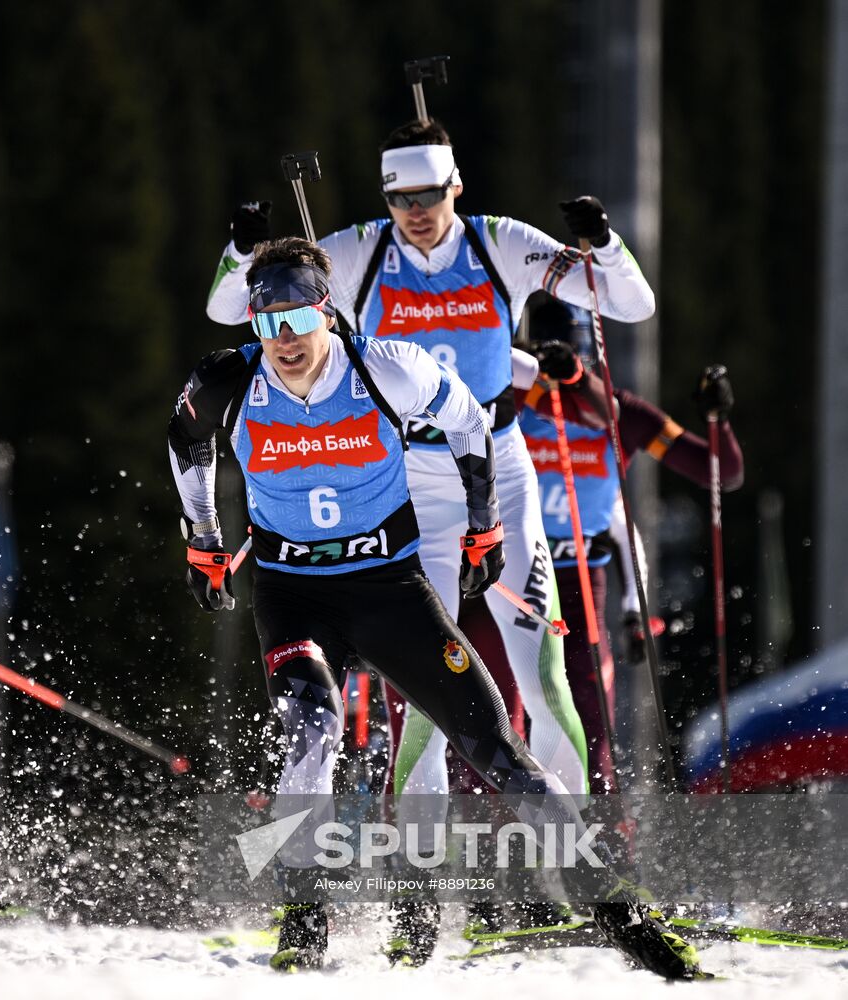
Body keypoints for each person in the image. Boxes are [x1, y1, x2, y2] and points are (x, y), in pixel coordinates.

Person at [172, 237, 703, 978]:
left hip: (391, 588)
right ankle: (303, 916)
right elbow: (185, 440)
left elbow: (469, 426)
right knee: (314, 736)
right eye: (267, 325)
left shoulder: (387, 367)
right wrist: (203, 538)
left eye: (297, 320)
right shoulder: (229, 381)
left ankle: (615, 906)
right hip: (294, 595)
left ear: (328, 311)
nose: (284, 342)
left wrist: (484, 521)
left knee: (496, 749)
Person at [206, 120, 656, 838]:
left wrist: (604, 246)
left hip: (497, 470)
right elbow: (234, 310)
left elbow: (629, 304)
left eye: (429, 193)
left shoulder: (497, 241)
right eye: (400, 197)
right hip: (409, 480)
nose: (416, 211)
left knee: (544, 675)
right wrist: (241, 251)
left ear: (456, 185)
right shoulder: (358, 250)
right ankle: (419, 877)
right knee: (424, 693)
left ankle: (581, 864)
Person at [517, 295, 744, 791]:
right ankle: (502, 847)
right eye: (545, 366)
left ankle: (607, 853)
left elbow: (722, 473)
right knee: (506, 719)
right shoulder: (508, 399)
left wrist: (717, 419)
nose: (558, 384)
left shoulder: (624, 415)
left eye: (573, 368)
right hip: (511, 576)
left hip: (581, 580)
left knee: (590, 719)